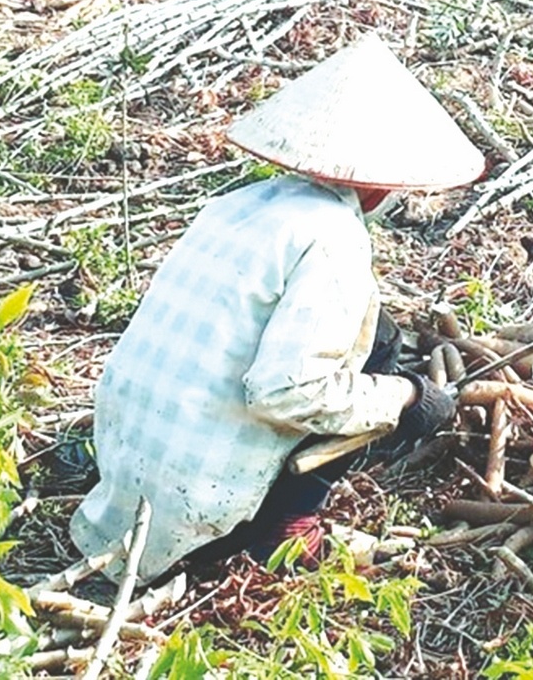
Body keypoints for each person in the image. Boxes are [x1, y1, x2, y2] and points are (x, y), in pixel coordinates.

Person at [69, 32, 484, 579]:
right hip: (197, 515)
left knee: (376, 334)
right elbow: (286, 392)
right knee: (379, 356)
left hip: (124, 477)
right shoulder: (333, 239)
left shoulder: (238, 204)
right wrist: (406, 398)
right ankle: (285, 530)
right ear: (382, 188)